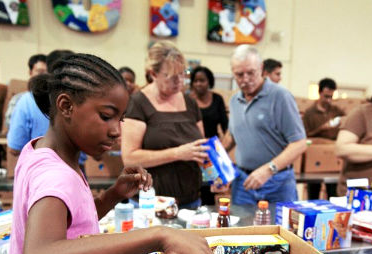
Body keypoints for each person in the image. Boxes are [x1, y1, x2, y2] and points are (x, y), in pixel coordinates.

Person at [0, 53, 218, 254]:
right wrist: (158, 236)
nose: (116, 131)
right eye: (106, 116)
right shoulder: (56, 174)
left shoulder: (48, 152)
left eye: (119, 119)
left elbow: (69, 227)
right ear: (66, 106)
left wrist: (113, 195)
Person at [121, 41, 207, 209]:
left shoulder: (190, 103)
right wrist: (178, 153)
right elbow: (129, 159)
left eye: (184, 74)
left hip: (191, 201)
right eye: (173, 77)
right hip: (150, 205)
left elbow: (201, 149)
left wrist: (216, 174)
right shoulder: (137, 104)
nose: (180, 81)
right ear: (153, 74)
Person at [223, 45, 307, 205]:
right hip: (243, 183)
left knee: (281, 228)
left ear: (261, 68)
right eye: (239, 74)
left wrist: (268, 170)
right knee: (243, 229)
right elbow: (232, 136)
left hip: (277, 183)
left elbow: (299, 143)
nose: (245, 79)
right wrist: (215, 163)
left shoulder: (280, 97)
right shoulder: (234, 101)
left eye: (251, 73)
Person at [7, 50, 73, 157]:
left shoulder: (27, 101)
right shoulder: (82, 101)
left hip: (40, 167)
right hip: (76, 170)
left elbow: (15, 148)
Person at [189, 66, 229, 205]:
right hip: (192, 150)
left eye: (202, 80)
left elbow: (226, 125)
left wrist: (224, 149)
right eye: (195, 81)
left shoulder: (217, 99)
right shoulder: (188, 100)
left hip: (212, 151)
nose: (198, 84)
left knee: (209, 190)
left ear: (209, 82)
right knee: (192, 188)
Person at [4, 54, 47, 131]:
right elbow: (10, 123)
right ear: (30, 73)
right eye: (40, 72)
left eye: (47, 72)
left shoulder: (55, 99)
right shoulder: (18, 99)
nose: (44, 76)